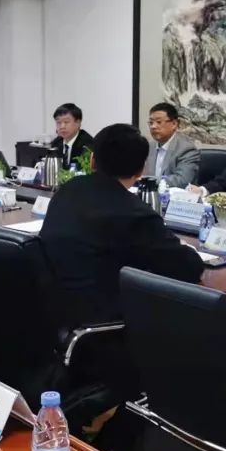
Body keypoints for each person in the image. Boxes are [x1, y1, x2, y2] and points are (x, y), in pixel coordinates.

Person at [41, 123, 204, 329]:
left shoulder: (67, 190)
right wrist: (184, 247)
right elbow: (189, 269)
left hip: (52, 314)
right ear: (141, 170)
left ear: (92, 160)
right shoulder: (135, 213)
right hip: (103, 323)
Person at [144, 102, 200, 188]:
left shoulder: (186, 149)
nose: (153, 126)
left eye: (159, 122)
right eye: (151, 123)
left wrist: (148, 181)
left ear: (174, 124)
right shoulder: (148, 146)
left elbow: (182, 180)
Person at [48, 103, 95, 168]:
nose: (62, 126)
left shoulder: (87, 146)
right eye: (58, 122)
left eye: (66, 122)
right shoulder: (55, 143)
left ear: (78, 123)